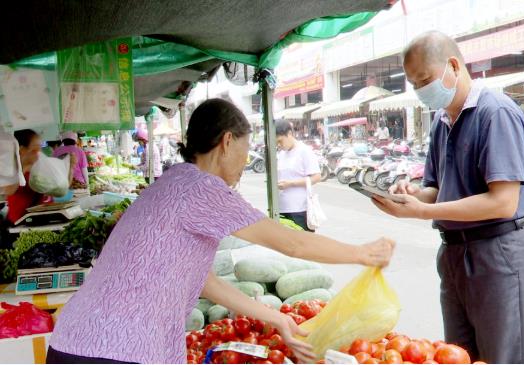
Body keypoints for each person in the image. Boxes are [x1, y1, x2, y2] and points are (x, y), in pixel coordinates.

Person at [47, 98, 395, 364]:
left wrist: (276, 319)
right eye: (245, 152)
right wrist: (361, 254)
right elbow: (292, 243)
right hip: (115, 350)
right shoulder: (202, 189)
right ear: (227, 142)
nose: (245, 165)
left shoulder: (172, 183)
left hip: (76, 343)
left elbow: (204, 280)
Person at [372, 31, 524, 364]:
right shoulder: (441, 122)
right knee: (457, 357)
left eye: (425, 79)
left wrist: (421, 212)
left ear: (453, 65)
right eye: (414, 84)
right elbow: (436, 188)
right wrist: (411, 196)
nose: (421, 91)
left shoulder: (495, 113)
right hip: (455, 252)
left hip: (500, 253)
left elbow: (503, 202)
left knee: (502, 357)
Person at [275, 120, 321, 232]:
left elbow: (316, 177)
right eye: (277, 143)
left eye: (280, 141)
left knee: (303, 244)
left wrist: (291, 183)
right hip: (282, 208)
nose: (279, 145)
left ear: (289, 134)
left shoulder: (304, 151)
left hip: (300, 209)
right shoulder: (281, 154)